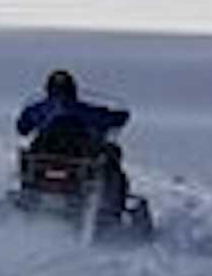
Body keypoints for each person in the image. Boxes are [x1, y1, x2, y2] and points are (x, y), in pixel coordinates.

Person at [16, 68, 131, 202]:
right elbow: (108, 118)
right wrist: (118, 116)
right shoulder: (82, 109)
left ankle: (27, 194)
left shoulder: (39, 109)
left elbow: (22, 127)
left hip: (46, 156)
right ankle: (112, 205)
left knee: (30, 156)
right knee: (110, 155)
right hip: (77, 156)